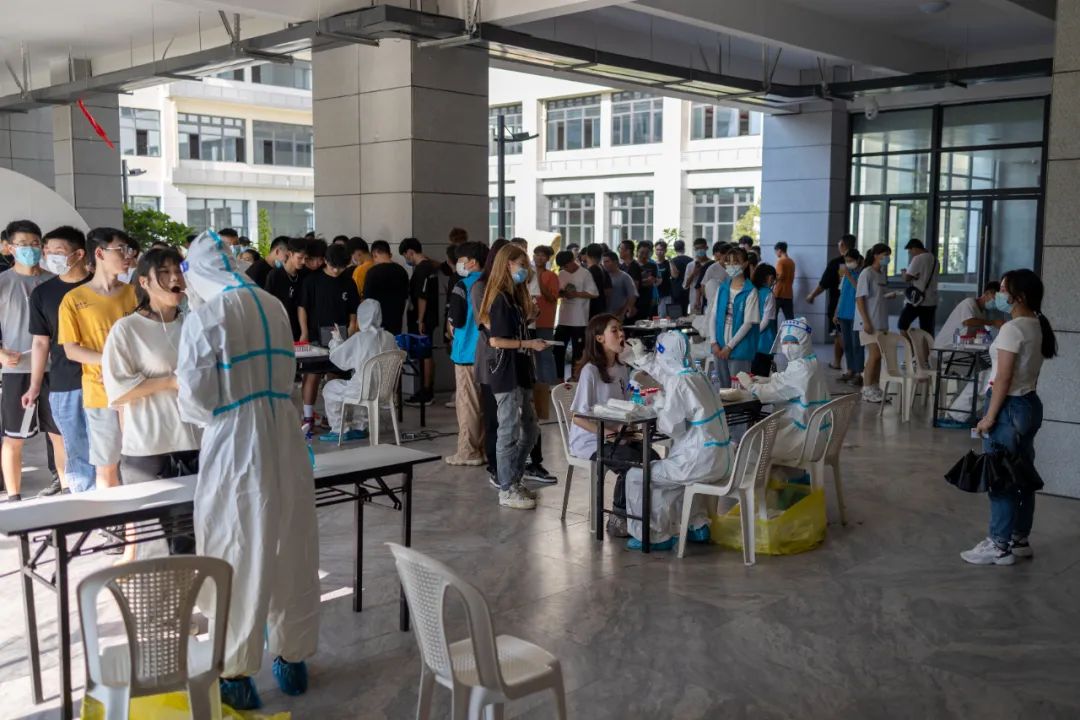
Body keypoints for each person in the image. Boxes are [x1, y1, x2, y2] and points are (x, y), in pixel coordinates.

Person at [177, 231, 319, 708]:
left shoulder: (207, 316)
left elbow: (196, 399)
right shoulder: (273, 305)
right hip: (284, 432)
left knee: (237, 546)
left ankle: (236, 670)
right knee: (292, 543)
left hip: (236, 439)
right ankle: (293, 658)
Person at [102, 248, 201, 558]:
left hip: (195, 442)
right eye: (165, 272)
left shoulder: (194, 324)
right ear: (144, 282)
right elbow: (118, 390)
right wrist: (170, 382)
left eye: (179, 271)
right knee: (155, 544)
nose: (174, 278)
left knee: (191, 539)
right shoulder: (127, 329)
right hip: (149, 447)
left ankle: (195, 588)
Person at [962, 269, 1056, 566]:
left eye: (1004, 290)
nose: (998, 295)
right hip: (1029, 404)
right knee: (1022, 473)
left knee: (1000, 476)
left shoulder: (1012, 329)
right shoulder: (1037, 324)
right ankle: (1019, 539)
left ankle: (998, 545)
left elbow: (1003, 378)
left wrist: (989, 417)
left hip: (1008, 407)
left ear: (1020, 296)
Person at [623, 329, 733, 551]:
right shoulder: (697, 375)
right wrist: (643, 358)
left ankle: (651, 536)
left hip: (700, 462)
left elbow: (671, 428)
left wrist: (660, 404)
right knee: (671, 478)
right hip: (722, 459)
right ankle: (697, 525)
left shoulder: (679, 383)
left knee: (638, 476)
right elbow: (669, 374)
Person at [58, 227, 139, 492]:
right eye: (121, 250)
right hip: (100, 393)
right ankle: (113, 518)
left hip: (137, 389)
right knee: (107, 466)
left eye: (129, 250)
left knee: (140, 464)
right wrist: (110, 363)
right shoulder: (73, 300)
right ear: (100, 253)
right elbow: (71, 350)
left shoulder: (134, 294)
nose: (128, 255)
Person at [477, 244, 547, 510]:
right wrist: (529, 344)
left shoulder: (513, 297)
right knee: (508, 429)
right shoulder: (499, 299)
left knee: (530, 428)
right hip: (506, 371)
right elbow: (496, 340)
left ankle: (514, 479)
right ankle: (506, 487)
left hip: (521, 369)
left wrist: (528, 321)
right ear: (508, 264)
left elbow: (510, 331)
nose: (525, 269)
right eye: (522, 264)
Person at [25, 226, 94, 496]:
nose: (50, 256)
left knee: (108, 448)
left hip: (103, 379)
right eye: (48, 251)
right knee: (75, 449)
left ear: (79, 254)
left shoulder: (99, 287)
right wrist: (34, 386)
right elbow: (41, 342)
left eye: (59, 251)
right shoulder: (42, 294)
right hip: (65, 381)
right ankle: (86, 504)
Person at [0, 220, 60, 501]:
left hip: (55, 368)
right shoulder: (3, 283)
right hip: (17, 370)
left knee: (59, 433)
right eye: (23, 244)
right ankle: (14, 496)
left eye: (35, 243)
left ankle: (67, 487)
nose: (30, 249)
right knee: (13, 437)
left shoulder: (55, 281)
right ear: (9, 247)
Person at [569, 314, 641, 537]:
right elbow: (578, 418)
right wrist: (610, 434)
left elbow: (627, 407)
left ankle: (639, 516)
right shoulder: (590, 371)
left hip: (615, 436)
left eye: (621, 329)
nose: (621, 334)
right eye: (614, 330)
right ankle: (618, 518)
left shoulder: (622, 368)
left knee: (653, 460)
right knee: (632, 463)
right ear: (599, 338)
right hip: (589, 440)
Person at [738, 318, 829, 463]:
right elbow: (788, 380)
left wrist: (750, 385)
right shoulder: (810, 361)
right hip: (814, 433)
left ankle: (762, 476)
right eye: (785, 342)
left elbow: (771, 392)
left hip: (802, 439)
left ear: (805, 341)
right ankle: (788, 474)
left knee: (750, 442)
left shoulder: (802, 369)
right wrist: (768, 379)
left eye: (794, 342)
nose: (788, 347)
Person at [298, 243, 360, 428]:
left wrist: (351, 331)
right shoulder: (312, 281)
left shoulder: (348, 282)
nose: (336, 271)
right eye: (333, 267)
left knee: (337, 377)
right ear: (325, 260)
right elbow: (302, 308)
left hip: (341, 337)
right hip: (316, 336)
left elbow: (353, 313)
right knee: (312, 375)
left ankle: (334, 418)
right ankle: (308, 417)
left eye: (341, 268)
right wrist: (304, 332)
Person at [319, 299, 398, 443]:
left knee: (330, 388)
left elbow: (340, 359)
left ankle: (339, 429)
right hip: (384, 391)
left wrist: (336, 340)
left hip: (363, 391)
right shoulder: (390, 337)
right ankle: (360, 426)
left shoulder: (359, 338)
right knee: (361, 382)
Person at [446, 242, 489, 466]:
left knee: (467, 405)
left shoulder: (463, 285)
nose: (458, 264)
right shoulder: (492, 283)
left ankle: (468, 452)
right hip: (490, 352)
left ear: (472, 262)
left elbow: (456, 320)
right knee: (485, 405)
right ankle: (483, 448)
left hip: (466, 353)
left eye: (461, 260)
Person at [709, 247, 760, 385]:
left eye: (736, 262)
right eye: (728, 262)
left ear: (745, 264)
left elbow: (748, 324)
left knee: (738, 389)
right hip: (719, 346)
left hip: (739, 349)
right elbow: (713, 315)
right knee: (721, 388)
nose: (731, 266)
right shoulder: (722, 288)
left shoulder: (751, 292)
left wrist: (729, 347)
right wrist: (713, 342)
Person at [855, 243, 898, 403]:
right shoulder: (867, 273)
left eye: (889, 255)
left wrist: (888, 295)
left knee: (879, 356)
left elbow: (877, 296)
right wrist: (866, 321)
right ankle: (866, 388)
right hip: (869, 322)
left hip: (881, 321)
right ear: (876, 255)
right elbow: (860, 298)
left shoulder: (881, 274)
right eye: (885, 255)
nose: (887, 258)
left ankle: (875, 387)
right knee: (874, 355)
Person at [400, 238, 440, 405]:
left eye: (405, 255)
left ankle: (426, 392)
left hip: (423, 320)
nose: (406, 259)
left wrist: (420, 320)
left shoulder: (422, 269)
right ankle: (427, 389)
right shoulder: (429, 267)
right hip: (428, 318)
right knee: (426, 354)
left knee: (425, 355)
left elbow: (422, 297)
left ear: (410, 252)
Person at [807, 233, 854, 370]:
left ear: (842, 245)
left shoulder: (836, 263)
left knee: (839, 334)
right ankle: (837, 362)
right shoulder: (859, 261)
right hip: (856, 304)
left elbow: (824, 284)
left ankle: (852, 364)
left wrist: (812, 295)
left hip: (837, 304)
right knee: (840, 334)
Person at [553, 249, 598, 380]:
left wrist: (576, 294)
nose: (565, 268)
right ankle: (559, 378)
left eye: (566, 265)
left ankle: (575, 378)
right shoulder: (561, 274)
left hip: (579, 320)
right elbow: (556, 293)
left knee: (578, 351)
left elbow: (594, 293)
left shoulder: (585, 273)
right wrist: (562, 294)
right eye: (563, 267)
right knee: (558, 348)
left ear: (572, 261)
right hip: (564, 318)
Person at [263, 237, 308, 341]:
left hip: (298, 329)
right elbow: (267, 303)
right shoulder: (275, 275)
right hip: (279, 327)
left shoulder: (303, 275)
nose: (303, 262)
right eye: (300, 258)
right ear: (290, 254)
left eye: (306, 258)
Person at [935, 281, 1003, 350]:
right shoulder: (969, 303)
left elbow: (979, 332)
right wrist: (992, 322)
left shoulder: (982, 313)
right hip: (945, 348)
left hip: (960, 348)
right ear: (987, 293)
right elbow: (968, 321)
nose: (996, 302)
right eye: (995, 298)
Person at [362, 240, 409, 335]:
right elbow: (405, 296)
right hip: (396, 320)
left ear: (375, 254)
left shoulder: (372, 273)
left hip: (377, 323)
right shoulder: (402, 271)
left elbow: (367, 299)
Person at [834, 249, 865, 384]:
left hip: (856, 314)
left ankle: (858, 372)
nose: (848, 263)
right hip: (844, 313)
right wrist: (836, 312)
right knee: (847, 344)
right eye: (846, 261)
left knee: (857, 344)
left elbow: (860, 290)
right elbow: (841, 294)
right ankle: (850, 370)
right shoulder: (846, 275)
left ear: (857, 260)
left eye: (850, 261)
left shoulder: (862, 274)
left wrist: (849, 276)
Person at [899, 238, 939, 332]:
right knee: (927, 330)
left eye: (910, 251)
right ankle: (926, 343)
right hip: (931, 301)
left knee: (902, 325)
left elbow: (906, 278)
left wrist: (903, 272)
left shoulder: (918, 258)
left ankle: (909, 342)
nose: (910, 254)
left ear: (914, 248)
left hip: (917, 300)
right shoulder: (935, 259)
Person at [751, 263, 778, 377]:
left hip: (750, 342)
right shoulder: (769, 294)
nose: (773, 282)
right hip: (765, 342)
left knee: (750, 375)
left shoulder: (751, 291)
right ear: (770, 277)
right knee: (761, 377)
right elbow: (766, 321)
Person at [602, 250, 637, 319]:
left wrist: (622, 312)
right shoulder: (603, 276)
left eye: (607, 261)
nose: (604, 264)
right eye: (603, 262)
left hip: (618, 315)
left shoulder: (625, 277)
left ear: (615, 262)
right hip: (604, 314)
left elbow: (632, 296)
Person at [683, 237, 713, 313]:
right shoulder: (690, 265)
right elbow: (685, 285)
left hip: (709, 300)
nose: (699, 250)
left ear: (706, 248)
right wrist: (694, 273)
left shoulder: (712, 264)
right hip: (694, 301)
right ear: (694, 249)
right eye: (697, 249)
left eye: (701, 248)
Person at [631, 240, 659, 320]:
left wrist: (638, 281)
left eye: (646, 253)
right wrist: (643, 280)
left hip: (647, 299)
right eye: (642, 252)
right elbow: (631, 283)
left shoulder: (652, 266)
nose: (644, 255)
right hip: (634, 300)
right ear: (637, 252)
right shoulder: (632, 265)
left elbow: (651, 281)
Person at [581, 243, 611, 319]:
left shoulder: (592, 271)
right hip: (601, 306)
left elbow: (589, 291)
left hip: (592, 308)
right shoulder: (602, 269)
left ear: (587, 254)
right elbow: (608, 291)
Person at [667, 239, 692, 318]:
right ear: (684, 248)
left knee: (676, 314)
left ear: (675, 249)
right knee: (685, 312)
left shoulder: (673, 261)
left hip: (676, 291)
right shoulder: (690, 260)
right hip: (688, 290)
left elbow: (673, 275)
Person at [774, 241, 796, 321]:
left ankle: (773, 330)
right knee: (790, 319)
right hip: (788, 294)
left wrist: (773, 281)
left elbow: (780, 275)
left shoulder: (781, 261)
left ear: (779, 250)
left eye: (776, 251)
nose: (776, 253)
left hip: (779, 293)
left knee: (772, 319)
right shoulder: (792, 262)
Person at [654, 240, 672, 317]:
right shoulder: (652, 264)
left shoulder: (668, 263)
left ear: (665, 251)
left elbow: (674, 275)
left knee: (663, 317)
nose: (659, 252)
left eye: (661, 250)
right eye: (657, 249)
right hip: (654, 295)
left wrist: (671, 261)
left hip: (665, 295)